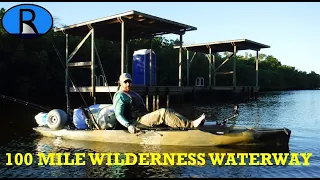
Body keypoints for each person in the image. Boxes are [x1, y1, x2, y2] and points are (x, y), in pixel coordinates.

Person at [113, 73, 206, 134]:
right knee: (163, 112)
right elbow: (118, 114)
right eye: (125, 82)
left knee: (169, 111)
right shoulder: (120, 96)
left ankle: (185, 123)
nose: (128, 84)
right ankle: (192, 124)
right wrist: (128, 125)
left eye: (129, 81)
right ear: (121, 83)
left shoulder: (132, 93)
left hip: (144, 117)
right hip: (137, 122)